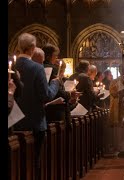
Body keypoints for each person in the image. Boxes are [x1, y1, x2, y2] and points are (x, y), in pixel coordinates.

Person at [13, 33, 60, 180]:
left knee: (16, 164)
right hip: (35, 123)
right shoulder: (37, 68)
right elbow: (46, 96)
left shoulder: (13, 66)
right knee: (35, 162)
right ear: (33, 48)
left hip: (14, 123)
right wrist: (55, 83)